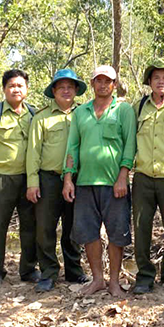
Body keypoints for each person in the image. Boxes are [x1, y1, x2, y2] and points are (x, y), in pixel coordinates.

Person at [62, 65, 137, 298]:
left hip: (115, 183)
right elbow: (72, 146)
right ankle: (97, 279)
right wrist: (68, 178)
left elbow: (130, 145)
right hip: (84, 182)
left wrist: (123, 175)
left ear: (114, 85)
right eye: (98, 80)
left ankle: (114, 281)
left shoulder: (123, 110)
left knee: (117, 233)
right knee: (88, 233)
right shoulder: (81, 112)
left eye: (108, 81)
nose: (103, 85)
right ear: (92, 84)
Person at [25, 69, 89, 292]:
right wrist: (32, 182)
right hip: (48, 179)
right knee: (45, 228)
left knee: (73, 226)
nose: (66, 90)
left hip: (77, 178)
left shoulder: (83, 114)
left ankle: (74, 271)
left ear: (76, 90)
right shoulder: (41, 117)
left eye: (70, 86)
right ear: (53, 91)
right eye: (61, 86)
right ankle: (49, 272)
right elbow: (32, 153)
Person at [128, 59, 164, 294]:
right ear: (149, 82)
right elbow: (129, 139)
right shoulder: (138, 107)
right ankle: (144, 275)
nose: (161, 82)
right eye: (156, 78)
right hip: (142, 177)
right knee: (141, 227)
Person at [0, 69, 38, 291]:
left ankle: (29, 269)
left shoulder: (33, 114)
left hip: (28, 179)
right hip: (1, 180)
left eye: (20, 85)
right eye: (12, 85)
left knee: (30, 226)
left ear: (27, 89)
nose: (16, 89)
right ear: (4, 89)